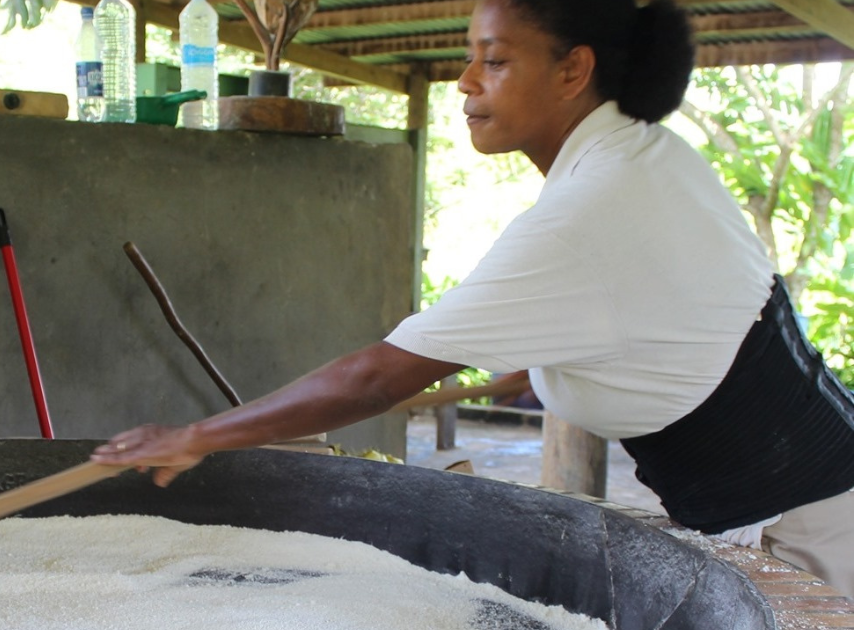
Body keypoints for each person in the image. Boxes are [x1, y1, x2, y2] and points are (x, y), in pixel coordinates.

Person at [92, 0, 854, 598]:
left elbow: (376, 378)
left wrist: (199, 435)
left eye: (493, 60)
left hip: (813, 527)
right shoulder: (650, 156)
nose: (465, 81)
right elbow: (686, 327)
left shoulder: (584, 215)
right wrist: (564, 369)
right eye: (469, 60)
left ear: (572, 70)